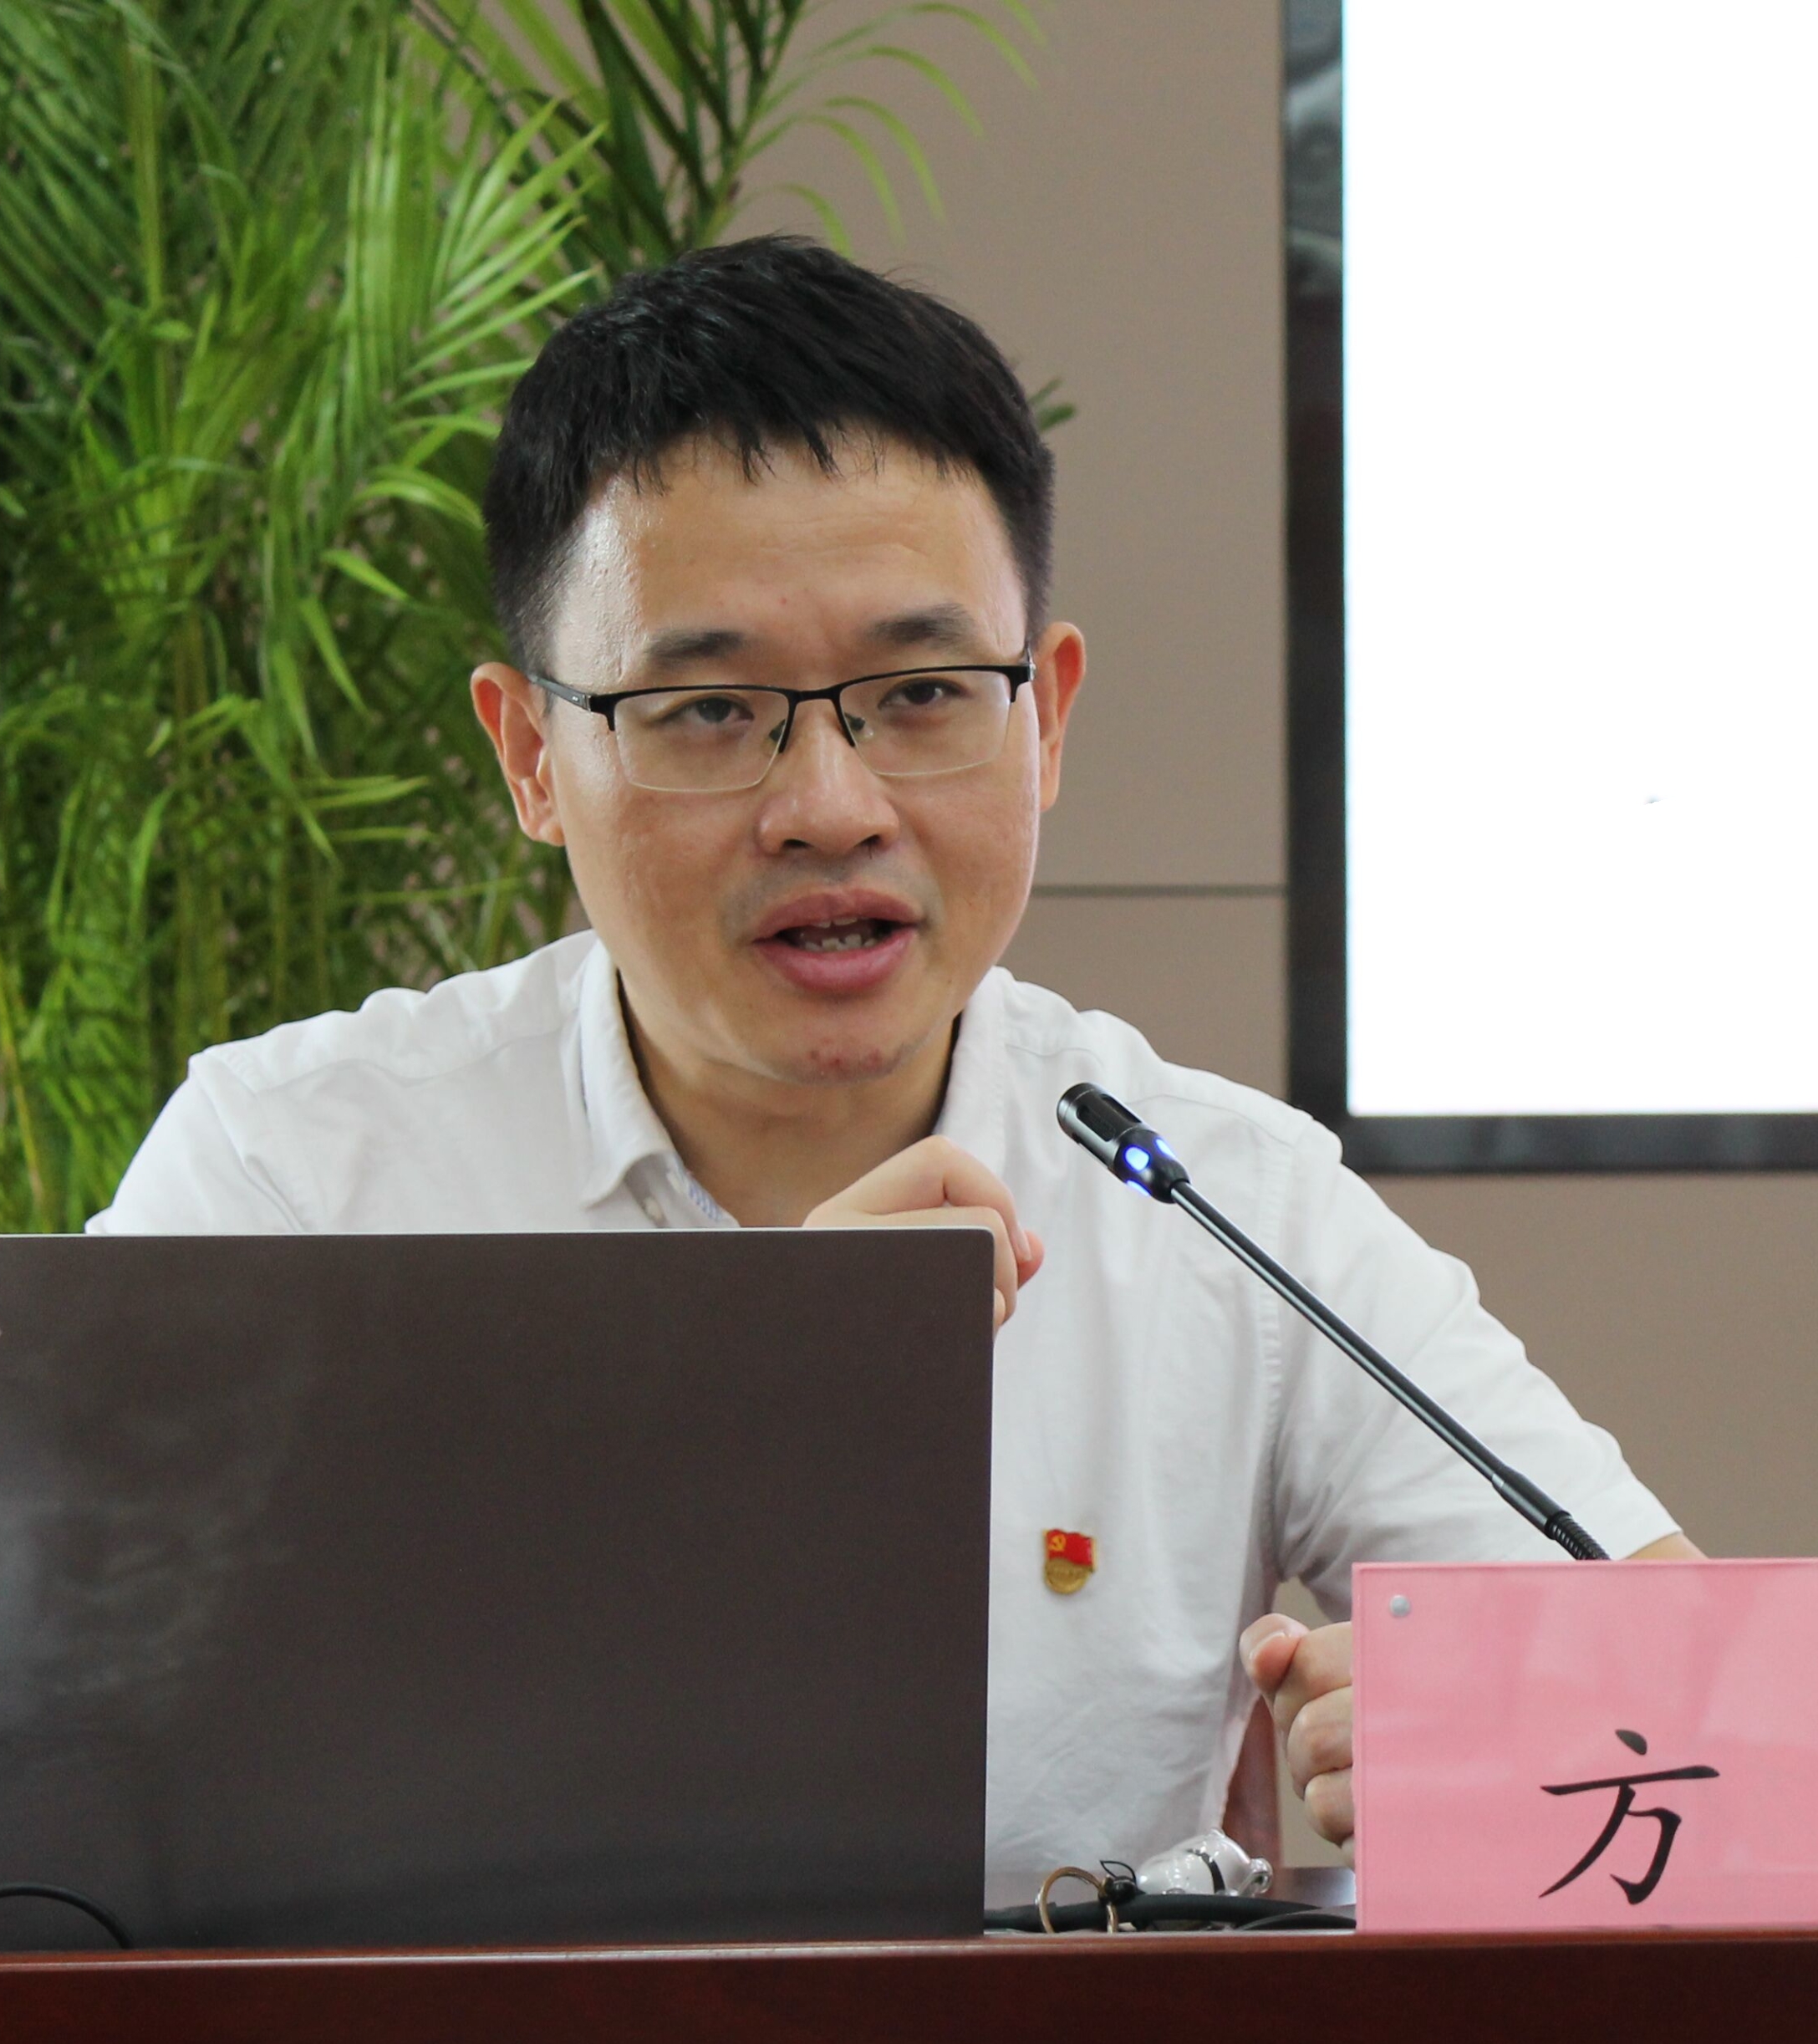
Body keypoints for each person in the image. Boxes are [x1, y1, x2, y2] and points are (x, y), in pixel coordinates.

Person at [93, 237, 1699, 1902]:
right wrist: (744, 1422)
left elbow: (1710, 1706)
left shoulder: (1220, 1201)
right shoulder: (291, 1173)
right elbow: (68, 1782)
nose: (830, 806)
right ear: (530, 756)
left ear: (1046, 718)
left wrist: (1523, 1742)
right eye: (709, 710)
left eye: (923, 692)